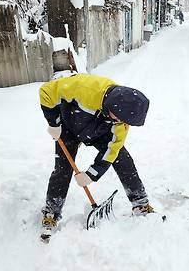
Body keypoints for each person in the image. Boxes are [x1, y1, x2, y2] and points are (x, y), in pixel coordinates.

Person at [39, 74, 154, 231]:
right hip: (67, 127)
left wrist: (91, 174)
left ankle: (141, 204)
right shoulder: (84, 88)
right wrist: (54, 123)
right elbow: (46, 91)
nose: (124, 124)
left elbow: (112, 149)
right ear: (113, 107)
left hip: (99, 131)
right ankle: (51, 213)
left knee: (123, 158)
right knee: (63, 169)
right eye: (122, 119)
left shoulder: (120, 122)